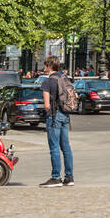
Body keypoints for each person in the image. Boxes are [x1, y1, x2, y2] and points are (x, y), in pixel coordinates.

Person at [39, 56, 74, 187]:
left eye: (45, 65)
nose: (44, 68)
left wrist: (46, 113)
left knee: (54, 148)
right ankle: (69, 177)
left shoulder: (47, 82)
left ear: (48, 66)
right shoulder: (64, 78)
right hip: (65, 115)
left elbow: (47, 104)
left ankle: (55, 177)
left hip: (54, 116)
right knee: (66, 148)